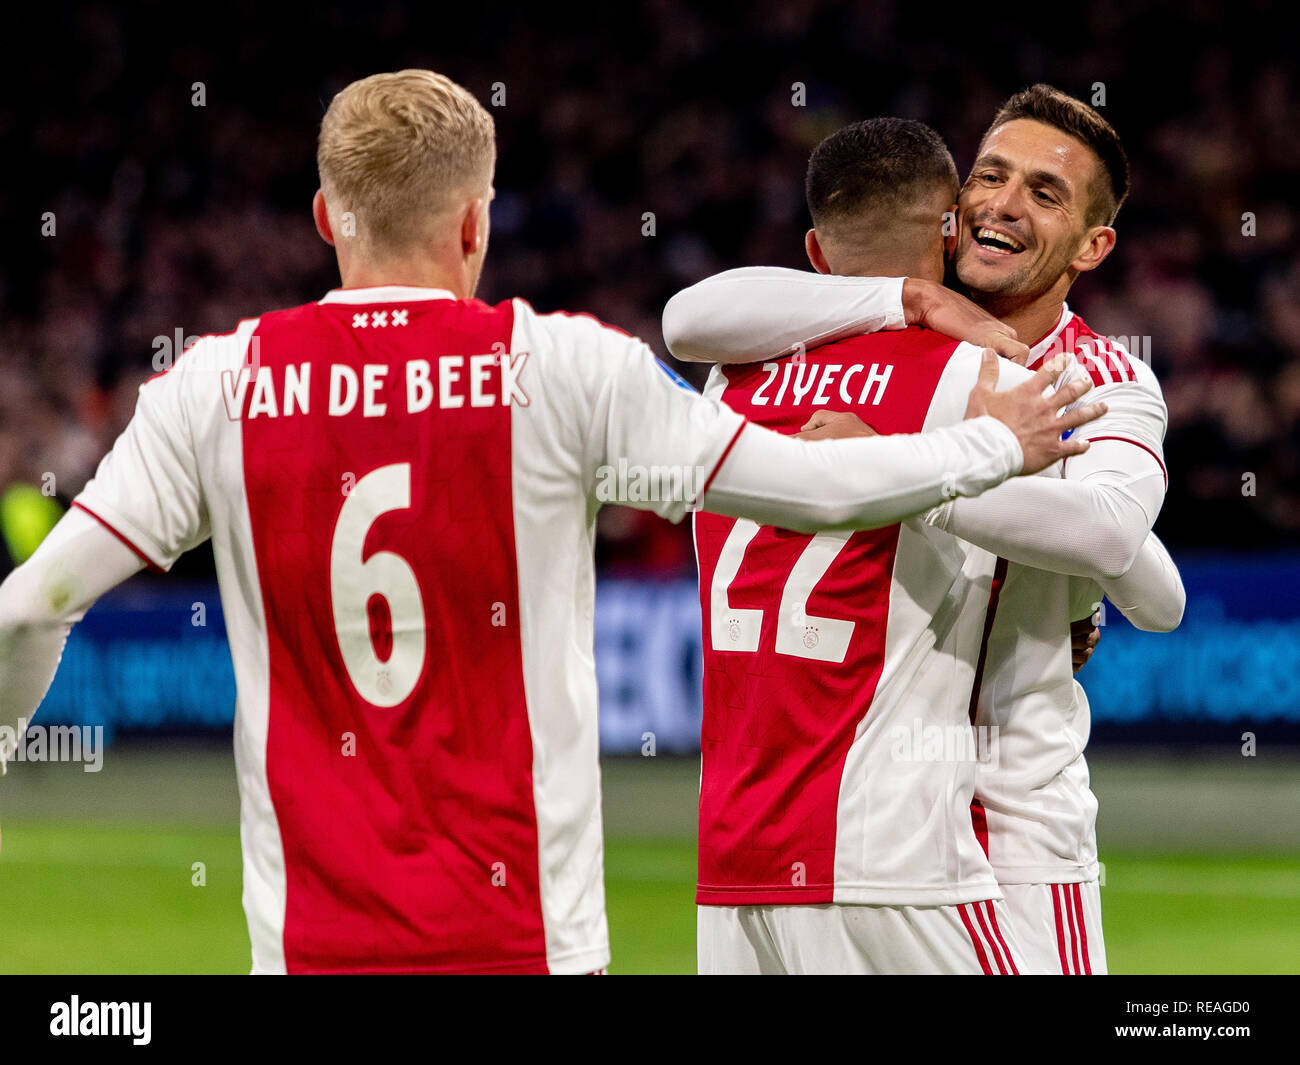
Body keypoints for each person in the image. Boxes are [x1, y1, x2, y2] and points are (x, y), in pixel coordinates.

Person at [0, 70, 1103, 975]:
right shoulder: (563, 367)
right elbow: (815, 490)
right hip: (529, 943)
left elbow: (29, 608)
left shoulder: (214, 385)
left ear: (328, 216)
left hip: (306, 951)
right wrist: (995, 445)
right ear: (478, 222)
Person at [664, 85, 1184, 974]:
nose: (1004, 203)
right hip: (901, 833)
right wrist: (910, 306)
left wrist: (906, 474)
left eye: (1044, 194)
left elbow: (1130, 558)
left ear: (1095, 246)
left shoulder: (1096, 375)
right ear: (949, 209)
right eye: (990, 175)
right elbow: (689, 320)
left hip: (1015, 830)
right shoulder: (891, 336)